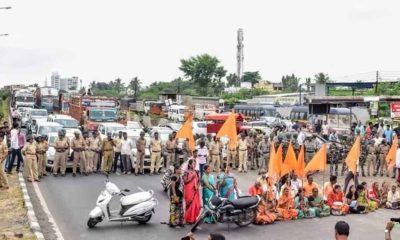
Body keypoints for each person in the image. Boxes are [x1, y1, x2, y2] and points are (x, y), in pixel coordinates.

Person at [183, 159, 201, 224]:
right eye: (193, 164)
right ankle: (187, 218)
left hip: (195, 190)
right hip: (188, 189)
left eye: (195, 164)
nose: (194, 165)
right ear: (189, 165)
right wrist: (191, 178)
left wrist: (197, 187)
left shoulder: (196, 172)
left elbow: (199, 180)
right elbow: (185, 182)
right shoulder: (186, 172)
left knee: (196, 205)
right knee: (189, 203)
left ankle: (192, 219)